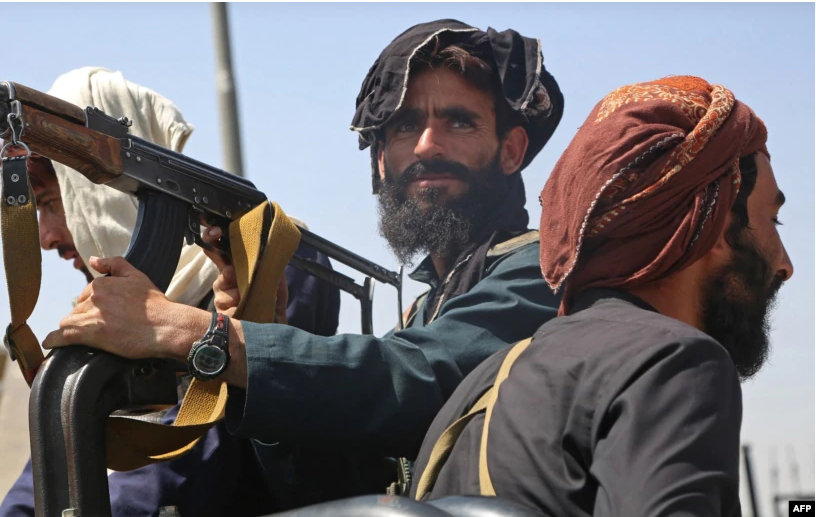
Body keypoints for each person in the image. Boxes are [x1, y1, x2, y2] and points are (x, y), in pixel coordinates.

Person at [41, 20, 565, 507]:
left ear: (511, 150)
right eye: (405, 126)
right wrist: (261, 331)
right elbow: (344, 482)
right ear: (381, 161)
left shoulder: (543, 272)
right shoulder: (431, 306)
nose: (428, 145)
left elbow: (418, 376)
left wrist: (194, 333)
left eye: (459, 122)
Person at [410, 75, 792, 516]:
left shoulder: (480, 385)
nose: (785, 265)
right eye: (772, 221)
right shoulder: (673, 363)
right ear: (716, 222)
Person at [0, 67, 341, 517]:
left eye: (55, 203)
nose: (47, 237)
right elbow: (60, 451)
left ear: (103, 194)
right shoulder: (112, 317)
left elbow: (188, 455)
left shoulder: (275, 265)